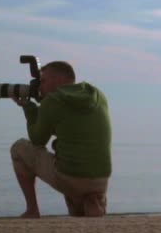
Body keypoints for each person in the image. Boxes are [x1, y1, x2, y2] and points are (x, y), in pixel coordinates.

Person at [8, 61, 112, 218]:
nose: (39, 87)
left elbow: (37, 140)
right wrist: (42, 110)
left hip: (70, 177)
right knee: (78, 213)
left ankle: (32, 210)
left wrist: (28, 108)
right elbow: (71, 129)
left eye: (43, 81)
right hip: (101, 179)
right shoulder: (98, 95)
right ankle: (92, 200)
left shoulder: (53, 101)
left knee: (18, 148)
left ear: (59, 80)